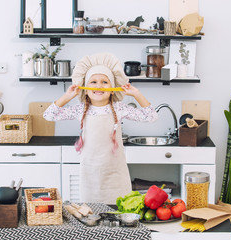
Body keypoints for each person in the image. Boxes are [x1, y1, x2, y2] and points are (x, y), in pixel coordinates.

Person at [44, 53, 157, 204]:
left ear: (112, 88)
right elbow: (49, 115)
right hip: (90, 174)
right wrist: (67, 96)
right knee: (93, 214)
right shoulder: (80, 109)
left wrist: (136, 94)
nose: (98, 86)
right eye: (93, 82)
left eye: (105, 82)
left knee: (118, 212)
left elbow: (151, 116)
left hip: (115, 173)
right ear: (85, 88)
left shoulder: (119, 108)